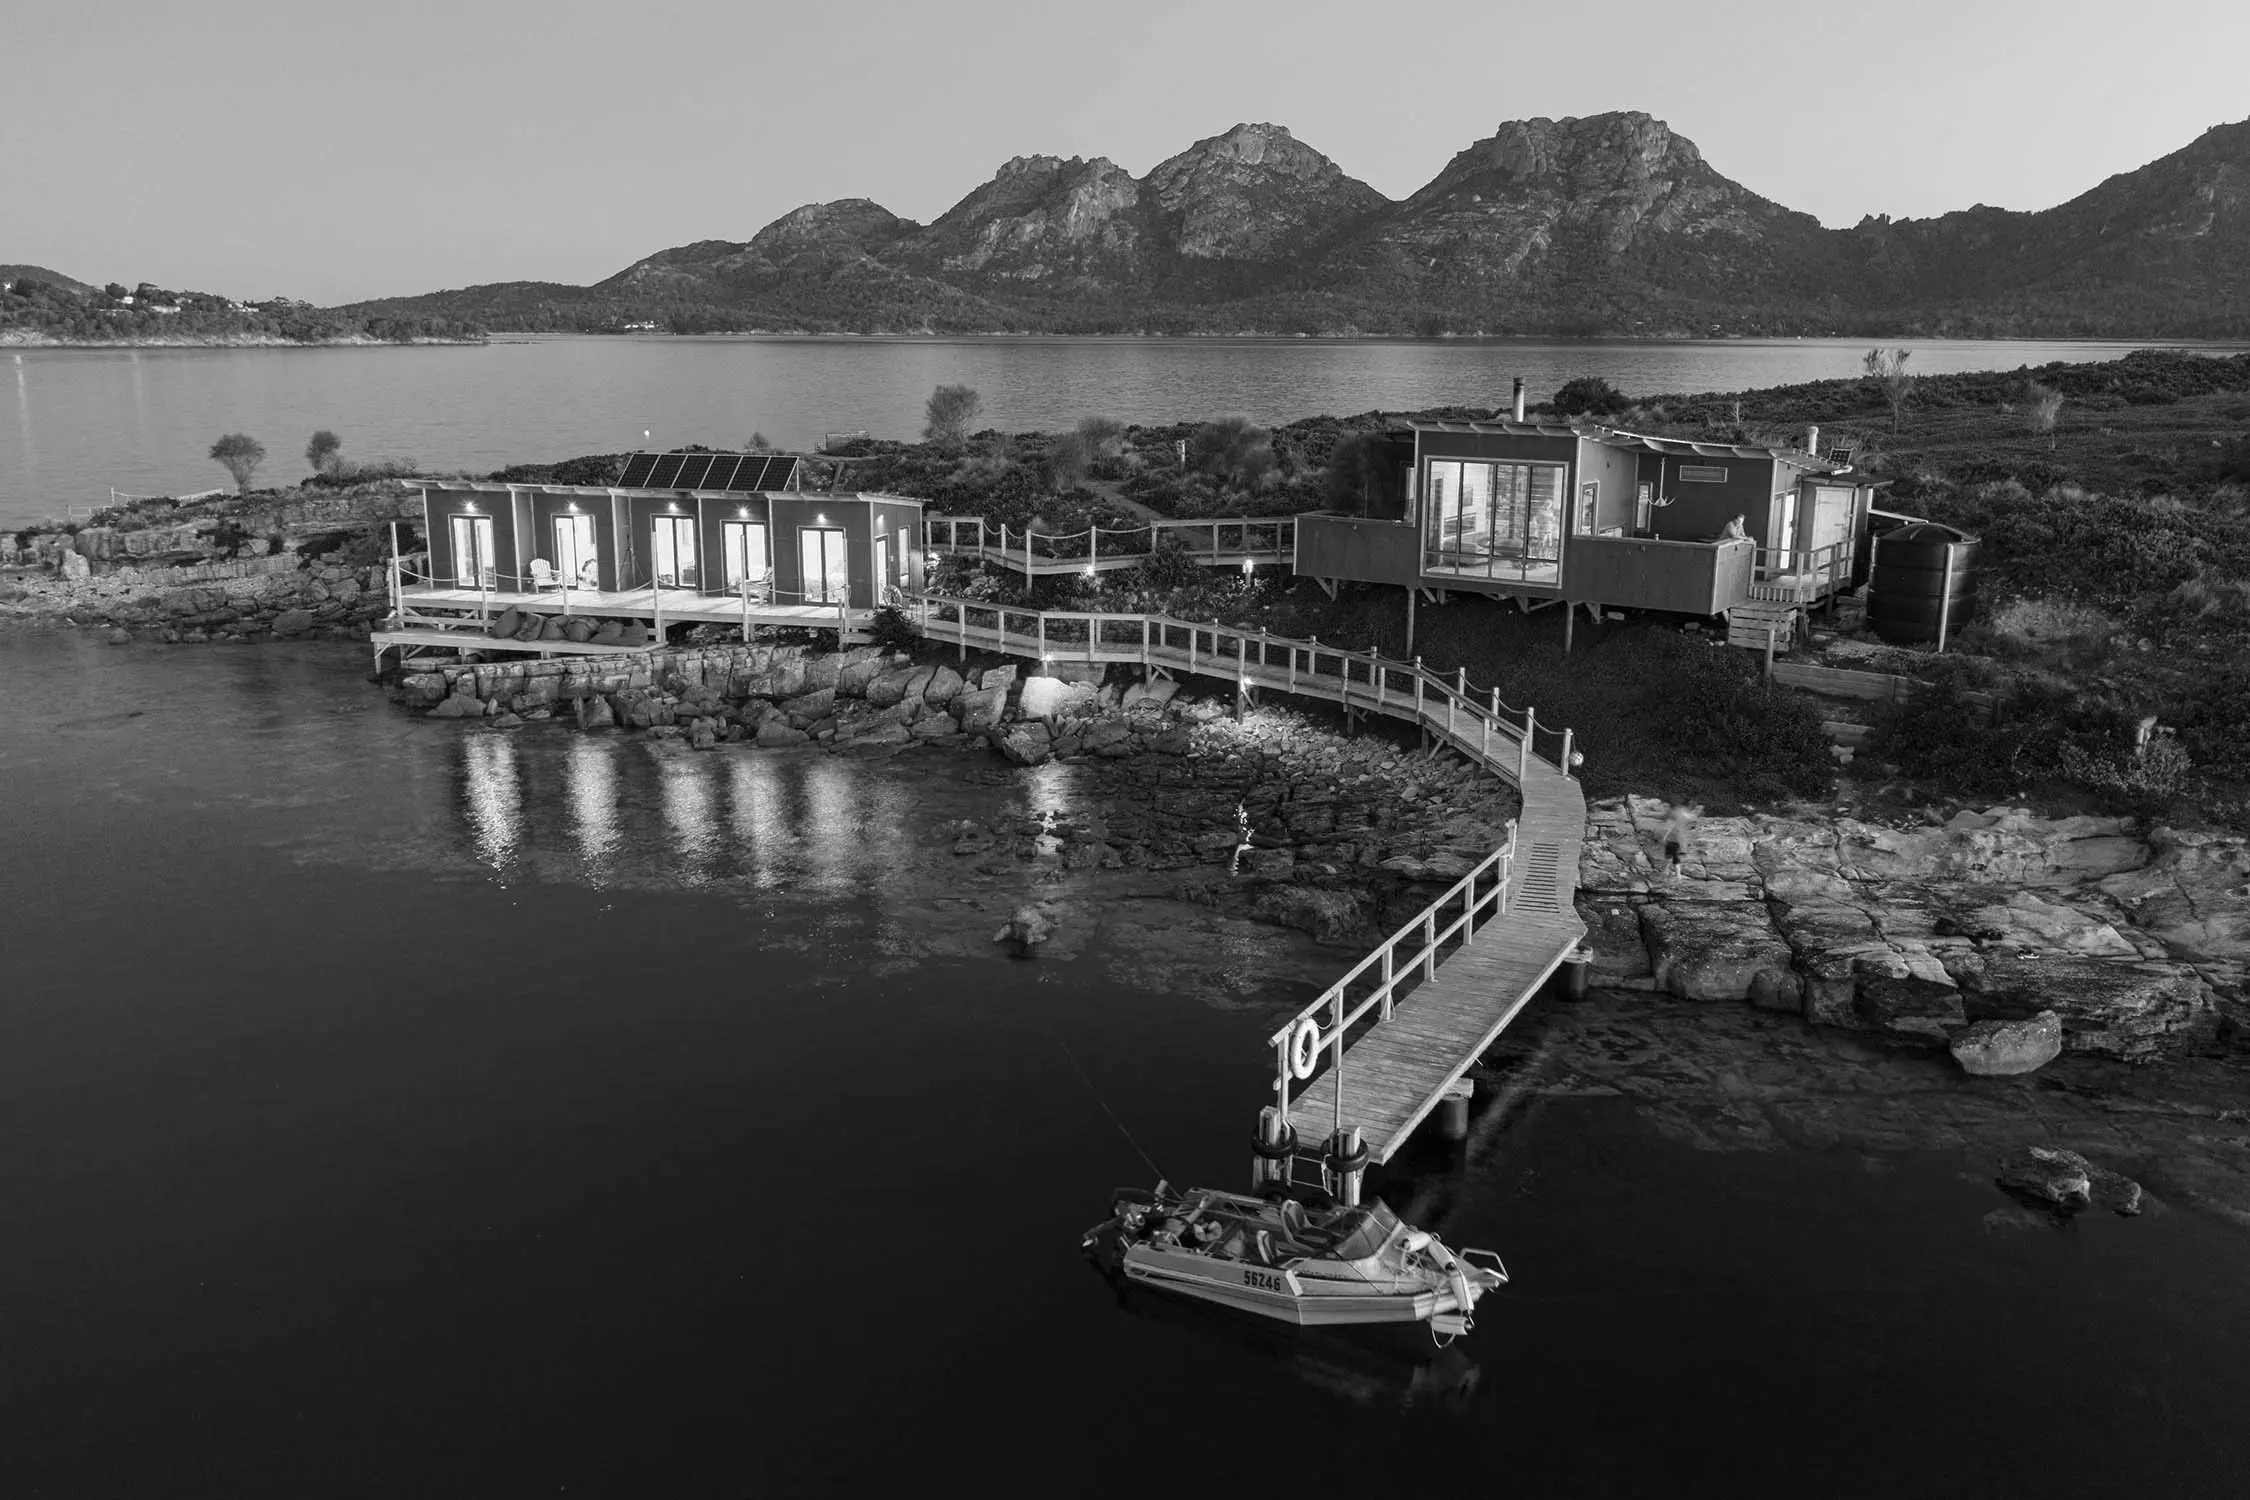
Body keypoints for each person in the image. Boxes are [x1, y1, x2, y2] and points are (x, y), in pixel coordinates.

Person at [1661, 802, 1695, 878]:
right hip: (1676, 841)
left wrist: (1665, 837)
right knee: (1672, 857)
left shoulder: (1677, 819)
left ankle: (1676, 874)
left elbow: (1670, 829)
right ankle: (1669, 872)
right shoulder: (1685, 817)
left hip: (1674, 841)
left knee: (1672, 857)